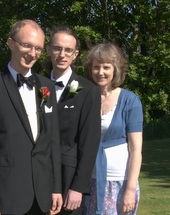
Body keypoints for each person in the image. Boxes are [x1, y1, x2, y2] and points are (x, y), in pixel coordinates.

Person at [0, 19, 63, 215]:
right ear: (11, 43)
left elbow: (53, 142)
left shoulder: (47, 87)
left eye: (38, 48)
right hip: (7, 196)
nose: (33, 54)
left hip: (42, 195)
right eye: (27, 45)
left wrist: (56, 187)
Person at [43, 26, 101, 215]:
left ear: (75, 54)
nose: (62, 54)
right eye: (58, 48)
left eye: (68, 50)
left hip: (69, 179)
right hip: (39, 174)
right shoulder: (36, 87)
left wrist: (78, 186)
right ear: (49, 50)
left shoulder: (88, 91)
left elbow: (89, 142)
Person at [82, 43, 143, 215]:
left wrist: (130, 190)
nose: (100, 72)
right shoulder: (85, 97)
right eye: (96, 67)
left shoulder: (130, 101)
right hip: (89, 182)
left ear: (115, 69)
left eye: (106, 67)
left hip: (119, 182)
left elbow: (136, 148)